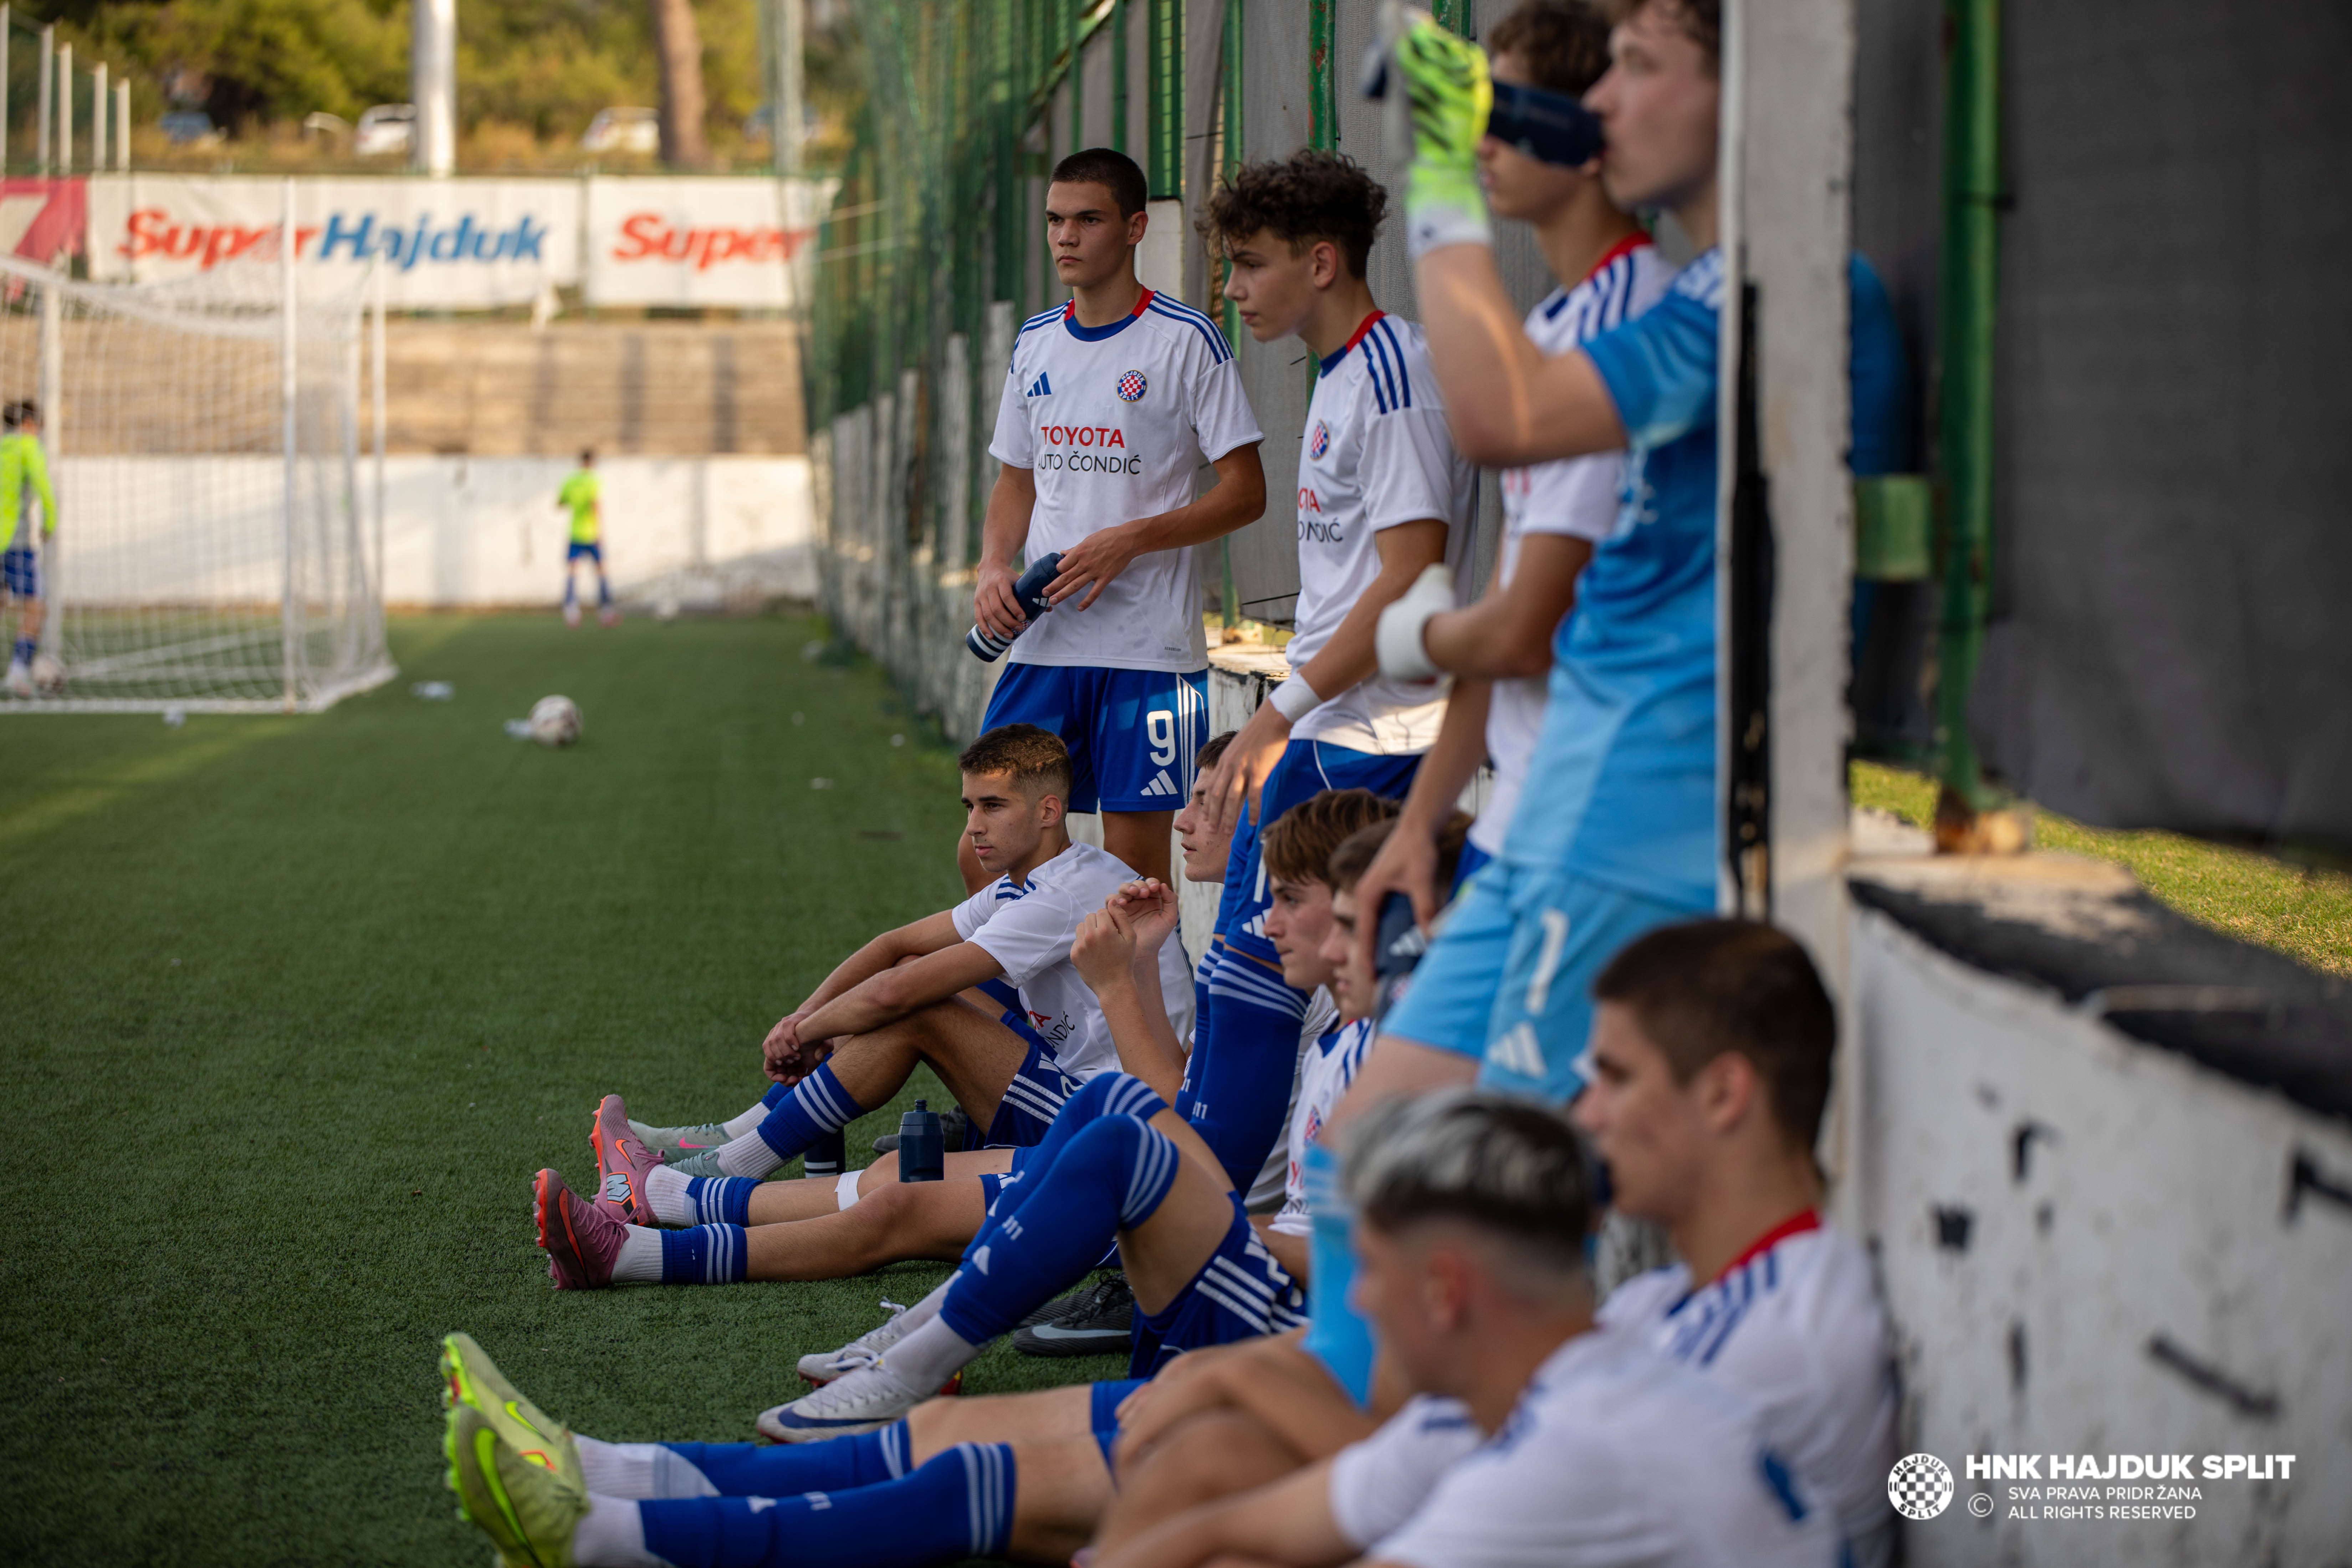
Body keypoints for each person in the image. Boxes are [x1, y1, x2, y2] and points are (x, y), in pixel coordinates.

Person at [436, 790, 1408, 1568]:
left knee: (1043, 1159)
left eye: (1287, 891)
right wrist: (1134, 977)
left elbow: (1230, 1171)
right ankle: (603, 1460)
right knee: (959, 1245)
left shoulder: (1312, 1009)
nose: (1196, 825)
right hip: (1256, 1318)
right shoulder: (1330, 1019)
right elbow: (914, 956)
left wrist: (1118, 994)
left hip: (1265, 1327)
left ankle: (737, 1294)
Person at [1097, 919, 1898, 1568]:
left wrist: (1246, 1381)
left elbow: (1522, 1465)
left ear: (1724, 1092)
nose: (1588, 1115)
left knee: (1220, 1467)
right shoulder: (1661, 1303)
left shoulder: (1780, 1337)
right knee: (1219, 1463)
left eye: (1616, 1077)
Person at [531, 736, 1244, 1301]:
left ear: (1048, 810)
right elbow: (894, 950)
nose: (973, 827)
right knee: (897, 1168)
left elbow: (901, 989)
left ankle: (678, 1195)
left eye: (991, 805)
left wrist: (805, 1031)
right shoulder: (1052, 886)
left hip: (1122, 1149)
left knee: (904, 1128)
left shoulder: (1081, 897)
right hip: (1118, 1131)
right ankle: (672, 1190)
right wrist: (812, 1015)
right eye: (969, 806)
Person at [1090, 1090, 1839, 1568]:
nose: (1360, 1301)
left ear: (1444, 1289)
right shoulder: (1525, 1394)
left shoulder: (1570, 1452)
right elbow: (1235, 1529)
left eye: (1371, 1269)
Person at [1187, 148, 1477, 1205]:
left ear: (1320, 262)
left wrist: (1277, 711)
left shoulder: (1393, 380)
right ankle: (1190, 1236)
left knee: (1255, 988)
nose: (1232, 287)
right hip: (1323, 727)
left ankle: (1199, 1250)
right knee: (1235, 986)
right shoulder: (1343, 372)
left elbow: (1409, 583)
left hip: (1374, 739)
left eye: (1247, 264)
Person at [1349, 0, 1670, 948]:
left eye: (1508, 108)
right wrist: (1417, 824)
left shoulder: (1626, 319)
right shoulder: (1549, 332)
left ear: (1584, 127)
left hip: (1581, 825)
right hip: (1517, 813)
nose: (1482, 138)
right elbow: (1505, 608)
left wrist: (1416, 636)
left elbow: (1521, 630)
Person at [972, 145, 1267, 892]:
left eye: (1087, 219)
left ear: (1135, 228)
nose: (1065, 236)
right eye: (1054, 220)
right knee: (989, 843)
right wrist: (991, 567)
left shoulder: (1186, 340)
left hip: (1148, 653)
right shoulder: (1035, 340)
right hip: (1045, 645)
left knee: (1132, 870)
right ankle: (1013, 1010)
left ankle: (1123, 1012)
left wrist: (1131, 539)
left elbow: (1245, 491)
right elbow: (1015, 480)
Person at [1, 399, 57, 698]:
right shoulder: (27, 448)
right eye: (37, 427)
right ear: (27, 425)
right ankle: (18, 672)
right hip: (13, 541)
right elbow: (45, 488)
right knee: (36, 606)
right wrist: (50, 522)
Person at [557, 448, 617, 629]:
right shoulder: (593, 480)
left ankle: (571, 612)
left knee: (572, 572)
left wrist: (575, 502)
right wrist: (600, 531)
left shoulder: (570, 481)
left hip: (575, 534)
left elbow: (560, 504)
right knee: (601, 571)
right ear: (592, 462)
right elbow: (595, 504)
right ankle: (606, 612)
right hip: (591, 534)